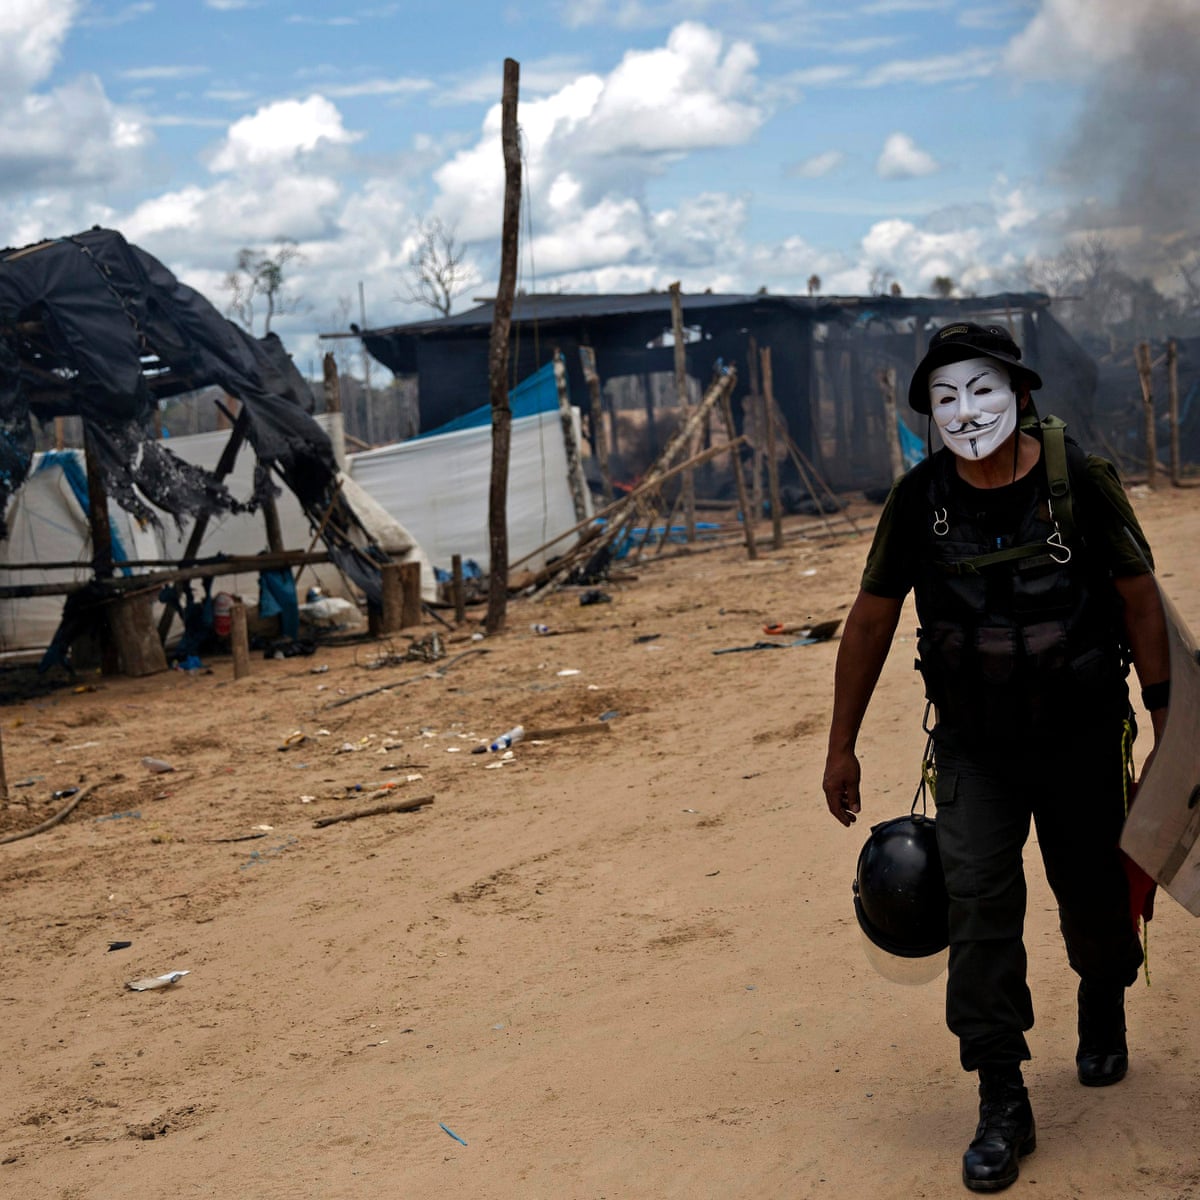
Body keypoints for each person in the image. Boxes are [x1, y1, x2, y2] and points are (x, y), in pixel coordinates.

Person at [822, 322, 1171, 1194]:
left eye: (982, 391)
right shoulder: (919, 500)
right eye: (945, 397)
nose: (966, 411)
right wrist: (842, 745)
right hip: (976, 746)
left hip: (1082, 733)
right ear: (929, 413)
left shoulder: (1079, 484)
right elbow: (870, 618)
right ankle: (1002, 1093)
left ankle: (1103, 990)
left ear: (1019, 394)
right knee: (978, 899)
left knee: (1093, 893)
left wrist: (1168, 724)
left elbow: (1138, 598)